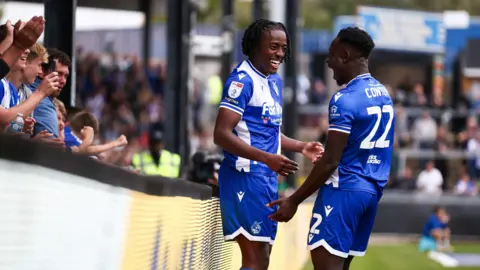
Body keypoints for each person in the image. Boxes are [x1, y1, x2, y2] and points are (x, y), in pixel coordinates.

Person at [268, 27, 395, 270]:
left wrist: (294, 200)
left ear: (346, 56)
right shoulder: (383, 94)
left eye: (332, 55)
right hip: (370, 192)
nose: (328, 62)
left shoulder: (344, 99)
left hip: (343, 191)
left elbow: (331, 161)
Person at [213, 19, 323, 270]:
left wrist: (300, 146)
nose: (280, 54)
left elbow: (267, 133)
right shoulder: (241, 81)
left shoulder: (273, 81)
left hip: (265, 178)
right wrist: (266, 158)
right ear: (254, 46)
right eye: (273, 47)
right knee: (255, 259)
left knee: (262, 259)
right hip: (245, 177)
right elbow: (221, 134)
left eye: (283, 48)